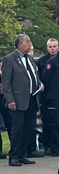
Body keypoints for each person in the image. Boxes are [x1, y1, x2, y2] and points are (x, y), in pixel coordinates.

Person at [2, 34, 43, 166]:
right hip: (18, 100)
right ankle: (13, 155)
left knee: (28, 127)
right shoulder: (9, 59)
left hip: (32, 98)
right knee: (17, 127)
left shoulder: (30, 59)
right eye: (27, 42)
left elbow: (33, 75)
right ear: (19, 45)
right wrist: (10, 100)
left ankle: (22, 154)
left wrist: (39, 84)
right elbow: (6, 82)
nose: (30, 44)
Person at [36, 38, 59, 155]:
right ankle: (46, 144)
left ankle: (56, 144)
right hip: (45, 96)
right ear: (47, 48)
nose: (52, 49)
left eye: (54, 46)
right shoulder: (41, 61)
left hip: (57, 95)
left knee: (56, 121)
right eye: (50, 47)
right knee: (46, 121)